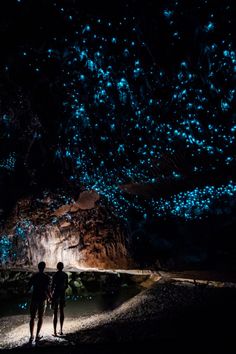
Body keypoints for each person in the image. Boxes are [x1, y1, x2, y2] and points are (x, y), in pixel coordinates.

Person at [27, 261, 51, 342]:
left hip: (34, 298)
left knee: (32, 318)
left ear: (38, 267)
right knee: (40, 317)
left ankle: (31, 336)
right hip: (42, 299)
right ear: (44, 267)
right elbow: (47, 289)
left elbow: (28, 287)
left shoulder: (34, 276)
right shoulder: (46, 277)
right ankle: (37, 335)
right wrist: (50, 297)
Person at [51, 262, 68, 336]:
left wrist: (51, 295)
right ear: (63, 267)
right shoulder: (65, 275)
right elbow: (66, 285)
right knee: (62, 311)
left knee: (55, 312)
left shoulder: (55, 275)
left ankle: (54, 332)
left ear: (57, 267)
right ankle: (61, 330)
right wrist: (63, 289)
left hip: (56, 293)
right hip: (62, 293)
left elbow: (52, 286)